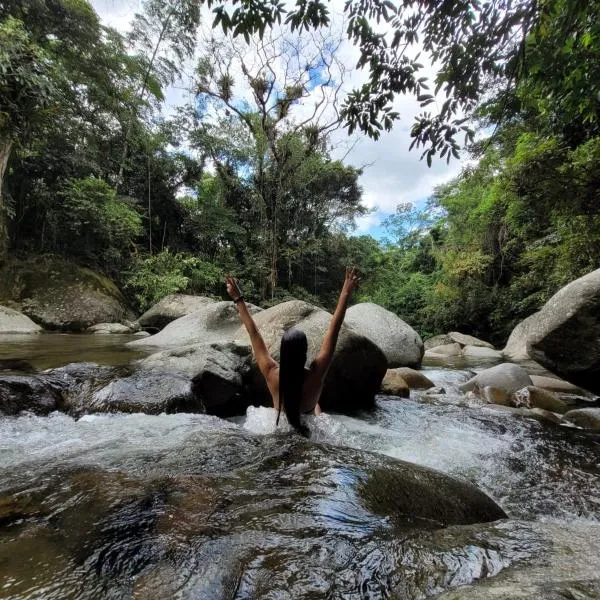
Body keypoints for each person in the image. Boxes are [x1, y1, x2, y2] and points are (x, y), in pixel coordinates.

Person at [225, 267, 360, 436]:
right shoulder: (315, 376)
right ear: (305, 355)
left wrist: (238, 298)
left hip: (280, 429)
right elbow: (334, 329)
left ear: (282, 353)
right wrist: (346, 291)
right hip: (309, 431)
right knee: (316, 407)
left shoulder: (272, 374)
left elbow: (254, 333)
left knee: (302, 408)